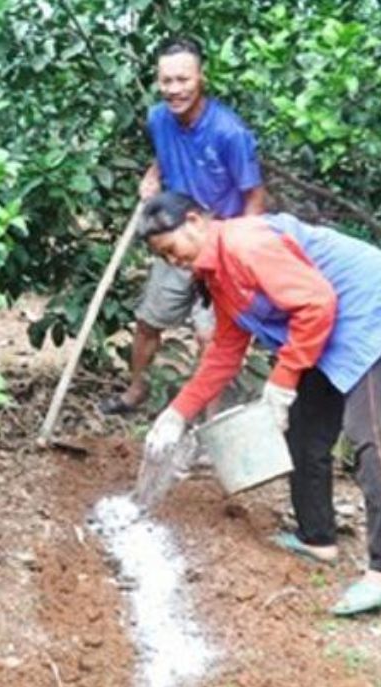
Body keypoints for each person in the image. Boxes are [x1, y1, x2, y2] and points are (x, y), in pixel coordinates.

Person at [139, 192, 381, 616]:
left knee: (370, 437)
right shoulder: (218, 275)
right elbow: (224, 353)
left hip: (365, 309)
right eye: (163, 257)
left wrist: (283, 379)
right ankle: (317, 537)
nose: (174, 261)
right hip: (322, 327)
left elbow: (316, 302)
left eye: (171, 249)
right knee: (306, 432)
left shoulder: (245, 245)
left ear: (195, 221)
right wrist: (176, 413)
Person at [101, 37, 266, 416]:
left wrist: (242, 251)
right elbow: (166, 154)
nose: (174, 90)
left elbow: (255, 196)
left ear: (201, 78)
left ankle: (209, 419)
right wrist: (153, 174)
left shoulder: (230, 132)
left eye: (183, 80)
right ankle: (136, 390)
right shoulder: (158, 117)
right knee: (147, 322)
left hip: (216, 245)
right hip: (174, 239)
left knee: (212, 336)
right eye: (166, 81)